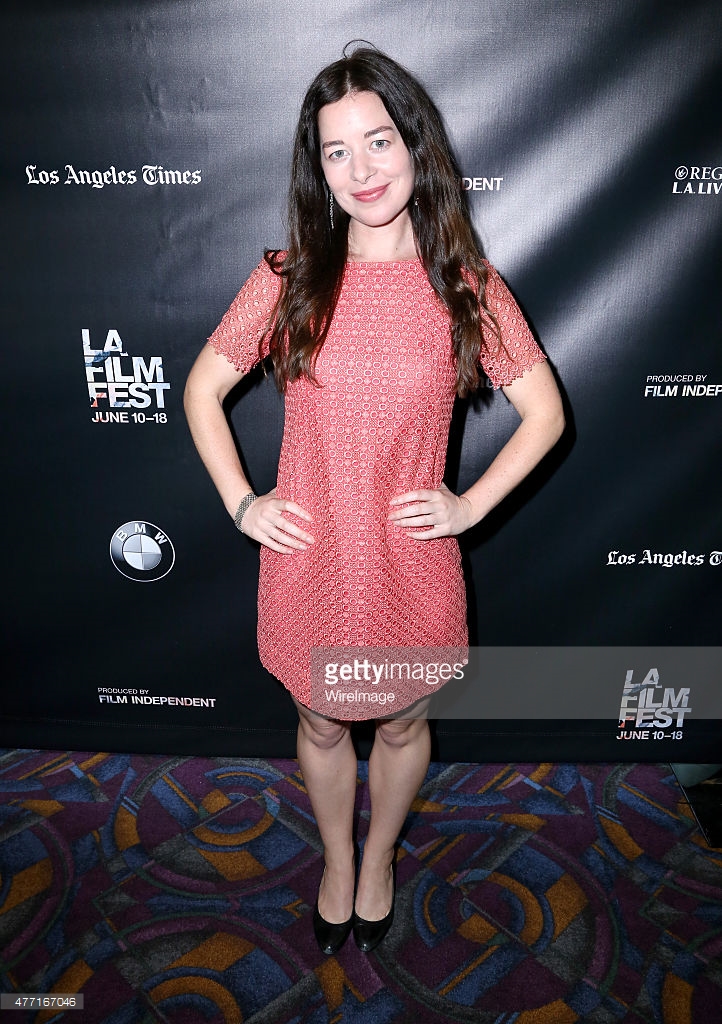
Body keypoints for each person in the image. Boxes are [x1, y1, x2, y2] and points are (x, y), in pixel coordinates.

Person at [184, 45, 564, 955]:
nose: (361, 170)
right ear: (316, 170)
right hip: (309, 555)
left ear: (415, 144)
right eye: (335, 152)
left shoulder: (463, 284)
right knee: (318, 716)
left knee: (400, 720)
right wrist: (243, 504)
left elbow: (546, 412)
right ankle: (335, 859)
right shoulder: (289, 278)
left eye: (379, 141)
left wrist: (470, 507)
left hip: (410, 558)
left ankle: (381, 855)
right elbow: (201, 389)